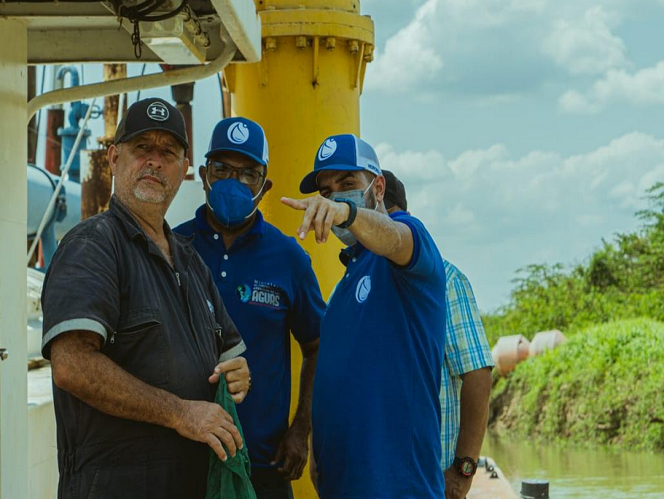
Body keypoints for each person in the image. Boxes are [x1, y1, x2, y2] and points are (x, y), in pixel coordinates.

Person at [41, 98, 251, 498]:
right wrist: (180, 413)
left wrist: (240, 374)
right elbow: (71, 365)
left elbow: (230, 358)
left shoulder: (190, 261)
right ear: (114, 158)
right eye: (142, 149)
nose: (154, 161)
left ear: (184, 170)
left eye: (168, 152)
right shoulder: (92, 246)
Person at [281, 134, 446, 499]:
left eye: (348, 184)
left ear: (378, 186)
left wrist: (350, 214)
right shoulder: (348, 278)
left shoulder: (407, 247)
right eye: (326, 191)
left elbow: (396, 238)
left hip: (398, 487)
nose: (335, 197)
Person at [174, 117, 325, 499]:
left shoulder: (288, 257)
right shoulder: (173, 248)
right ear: (204, 174)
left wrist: (300, 430)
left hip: (263, 464)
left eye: (248, 174)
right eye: (222, 170)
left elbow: (318, 345)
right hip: (180, 458)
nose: (234, 182)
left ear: (265, 186)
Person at [383, 169, 494, 499]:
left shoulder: (446, 281)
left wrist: (463, 471)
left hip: (431, 482)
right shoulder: (358, 288)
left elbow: (478, 375)